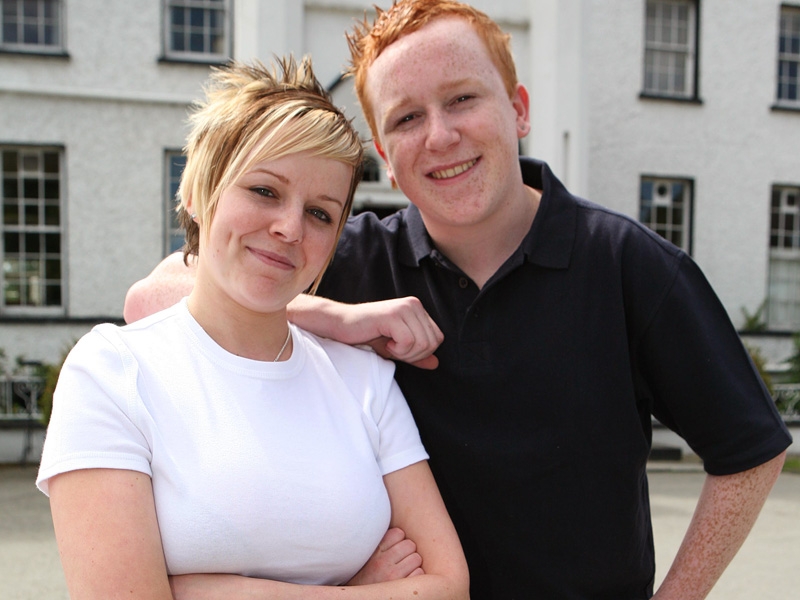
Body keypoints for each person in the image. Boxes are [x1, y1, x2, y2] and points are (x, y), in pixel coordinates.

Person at [124, 2, 793, 599]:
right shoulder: (347, 255)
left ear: (519, 108)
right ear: (386, 155)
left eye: (462, 99)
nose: (439, 136)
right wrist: (337, 315)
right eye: (407, 118)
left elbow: (750, 450)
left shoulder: (628, 264)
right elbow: (155, 298)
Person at [36, 56, 469, 600]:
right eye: (264, 191)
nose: (289, 227)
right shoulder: (112, 373)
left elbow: (449, 586)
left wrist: (208, 592)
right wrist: (358, 589)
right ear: (197, 192)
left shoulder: (363, 378)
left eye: (320, 213)